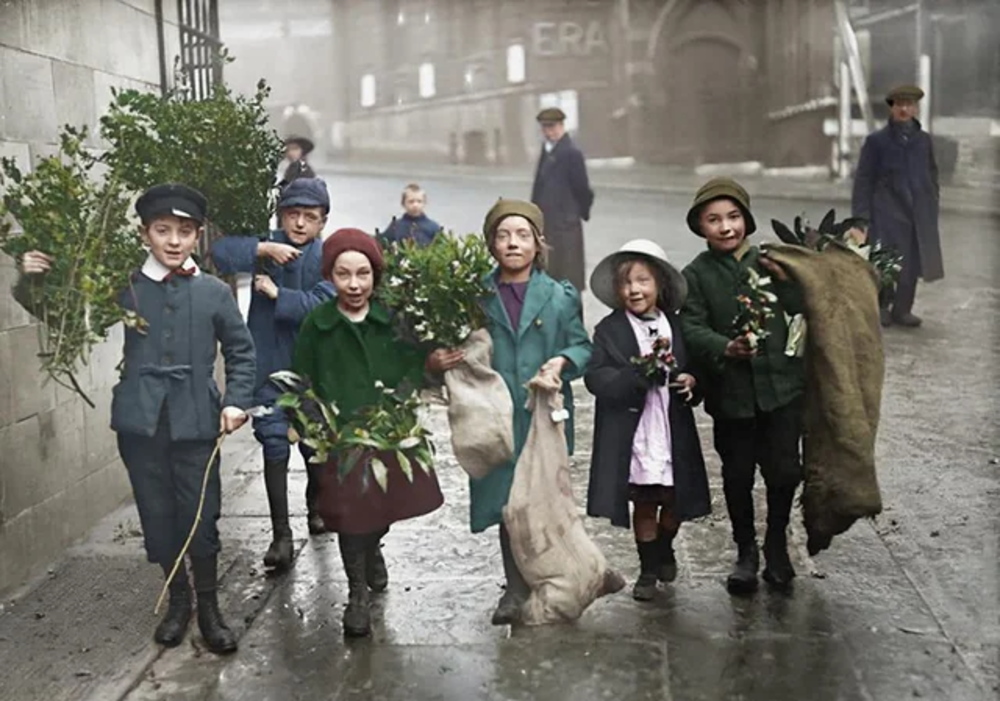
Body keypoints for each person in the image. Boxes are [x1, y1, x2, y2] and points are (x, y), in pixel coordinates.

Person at [13, 184, 256, 653]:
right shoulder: (124, 287)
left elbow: (242, 352)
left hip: (196, 421)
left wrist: (235, 401)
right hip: (141, 423)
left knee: (200, 516)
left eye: (184, 231)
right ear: (145, 234)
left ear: (198, 235)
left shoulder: (213, 292)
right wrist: (33, 282)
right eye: (162, 230)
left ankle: (209, 608)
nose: (174, 241)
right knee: (157, 514)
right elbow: (65, 317)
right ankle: (178, 600)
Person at [291, 228, 459, 637]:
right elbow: (301, 380)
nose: (354, 284)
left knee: (382, 508)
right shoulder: (318, 324)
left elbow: (412, 365)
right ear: (329, 276)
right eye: (343, 274)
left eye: (363, 274)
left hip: (388, 433)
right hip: (341, 439)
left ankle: (373, 548)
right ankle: (356, 594)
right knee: (351, 515)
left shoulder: (392, 320)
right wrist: (312, 425)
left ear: (375, 276)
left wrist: (427, 369)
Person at [680, 178, 805, 595]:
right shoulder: (696, 275)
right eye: (713, 220)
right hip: (731, 396)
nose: (725, 227)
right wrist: (724, 347)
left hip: (780, 389)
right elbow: (691, 325)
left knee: (784, 471)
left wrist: (789, 280)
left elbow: (804, 308)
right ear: (700, 227)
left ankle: (777, 543)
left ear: (747, 221)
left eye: (733, 217)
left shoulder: (771, 263)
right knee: (737, 475)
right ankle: (746, 551)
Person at [470, 199, 592, 625]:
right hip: (495, 413)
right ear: (491, 245)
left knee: (540, 500)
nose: (513, 243)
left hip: (542, 414)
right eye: (503, 236)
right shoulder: (476, 296)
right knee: (507, 502)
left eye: (522, 235)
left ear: (538, 244)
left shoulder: (559, 297)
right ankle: (515, 587)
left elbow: (581, 346)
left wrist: (561, 361)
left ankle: (549, 575)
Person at [210, 177, 336, 570]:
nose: (299, 223)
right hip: (268, 366)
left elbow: (325, 306)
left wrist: (280, 295)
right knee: (274, 444)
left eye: (309, 216)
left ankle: (316, 504)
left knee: (315, 446)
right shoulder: (267, 249)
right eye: (292, 214)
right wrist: (262, 248)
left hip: (313, 373)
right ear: (281, 216)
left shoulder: (328, 257)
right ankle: (281, 534)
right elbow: (219, 253)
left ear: (322, 221)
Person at [585, 240, 711, 601]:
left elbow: (695, 366)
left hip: (671, 428)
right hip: (637, 431)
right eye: (626, 283)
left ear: (660, 285)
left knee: (674, 502)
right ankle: (648, 569)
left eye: (643, 281)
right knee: (644, 501)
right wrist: (635, 377)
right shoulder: (610, 330)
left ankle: (664, 546)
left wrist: (691, 380)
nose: (634, 290)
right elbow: (596, 377)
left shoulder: (676, 326)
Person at [852, 84, 943, 328]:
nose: (904, 109)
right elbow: (863, 181)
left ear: (915, 109)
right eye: (899, 105)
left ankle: (903, 309)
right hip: (886, 211)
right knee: (885, 261)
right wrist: (861, 218)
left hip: (917, 212)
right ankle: (882, 306)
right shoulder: (876, 142)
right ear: (891, 108)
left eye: (909, 105)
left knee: (911, 263)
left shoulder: (923, 141)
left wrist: (932, 198)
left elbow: (932, 173)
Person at [529, 107, 594, 292]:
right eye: (545, 127)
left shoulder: (572, 153)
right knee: (549, 274)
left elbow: (583, 189)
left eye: (552, 127)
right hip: (547, 223)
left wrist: (578, 213)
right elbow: (538, 186)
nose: (548, 132)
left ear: (561, 126)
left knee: (568, 276)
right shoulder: (546, 151)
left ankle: (571, 310)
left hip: (566, 226)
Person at [378, 183, 443, 247]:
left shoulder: (433, 227)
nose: (415, 205)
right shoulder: (396, 226)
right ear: (403, 204)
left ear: (425, 203)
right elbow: (382, 244)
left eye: (419, 201)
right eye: (411, 201)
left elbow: (442, 246)